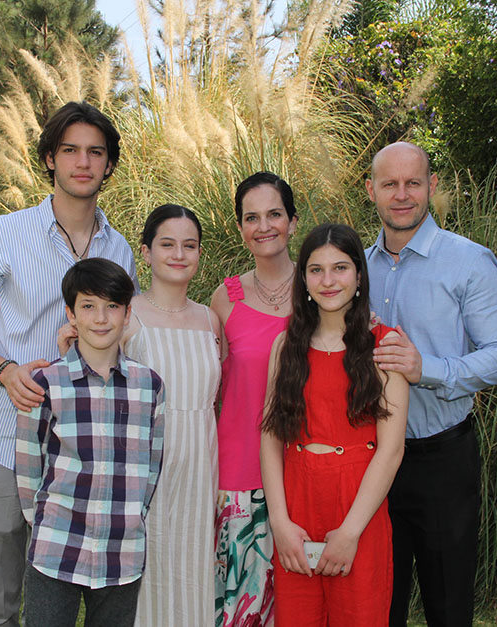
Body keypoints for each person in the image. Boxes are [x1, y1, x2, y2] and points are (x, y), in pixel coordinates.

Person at [0, 101, 138, 627]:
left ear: (108, 165)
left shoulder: (120, 250)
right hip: (5, 438)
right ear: (50, 159)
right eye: (70, 150)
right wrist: (7, 372)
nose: (83, 162)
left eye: (95, 152)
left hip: (83, 455)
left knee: (61, 603)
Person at [364, 141, 497, 626]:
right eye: (390, 183)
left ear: (432, 186)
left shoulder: (469, 261)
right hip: (369, 462)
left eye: (413, 182)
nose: (402, 194)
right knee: (377, 604)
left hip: (442, 460)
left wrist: (425, 368)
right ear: (371, 190)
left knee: (448, 606)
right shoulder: (352, 267)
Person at [260, 223, 409, 626]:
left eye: (340, 268)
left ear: (359, 275)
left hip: (358, 504)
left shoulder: (385, 345)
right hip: (297, 503)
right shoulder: (285, 346)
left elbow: (391, 451)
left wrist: (350, 532)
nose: (328, 281)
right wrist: (280, 522)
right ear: (303, 278)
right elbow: (271, 437)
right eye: (316, 269)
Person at [15, 258, 163, 627]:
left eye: (112, 306)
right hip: (56, 547)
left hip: (122, 551)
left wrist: (132, 516)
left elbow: (151, 465)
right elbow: (29, 464)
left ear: (128, 314)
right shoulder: (45, 384)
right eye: (88, 306)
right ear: (71, 314)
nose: (101, 318)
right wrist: (43, 521)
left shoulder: (149, 387)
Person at [124, 205, 221, 626]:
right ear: (146, 252)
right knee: (151, 576)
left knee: (195, 571)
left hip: (202, 465)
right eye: (167, 244)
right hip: (147, 468)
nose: (179, 254)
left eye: (189, 245)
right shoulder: (125, 316)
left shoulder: (210, 318)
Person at [210, 171, 298, 626]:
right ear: (241, 227)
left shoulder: (322, 291)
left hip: (305, 474)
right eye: (251, 217)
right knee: (239, 611)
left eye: (274, 214)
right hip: (240, 478)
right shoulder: (225, 298)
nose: (263, 226)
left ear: (293, 221)